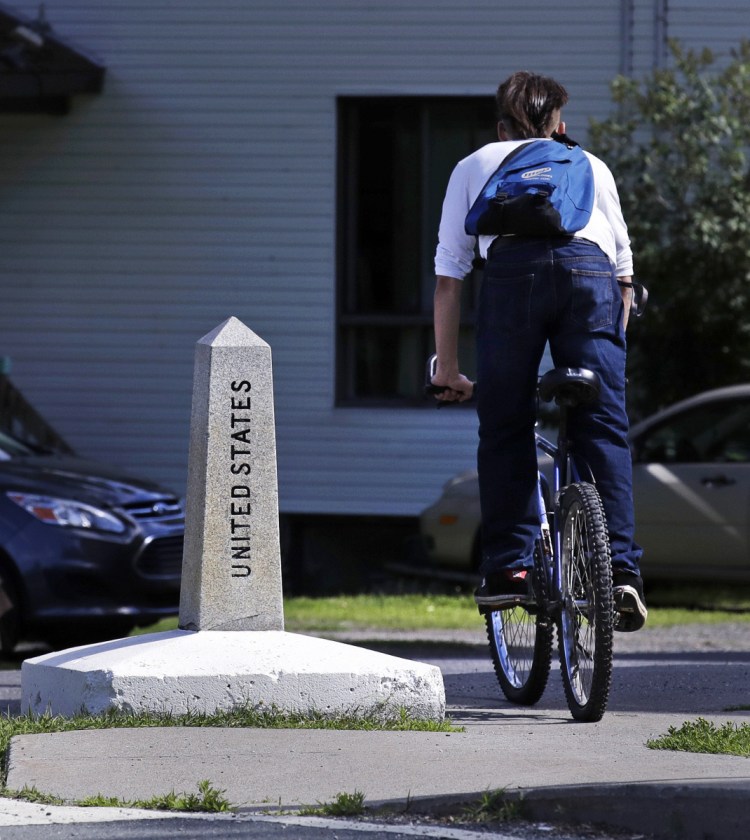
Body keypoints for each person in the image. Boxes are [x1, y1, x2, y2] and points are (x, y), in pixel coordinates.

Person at [431, 70, 647, 631]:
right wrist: (609, 354)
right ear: (561, 126)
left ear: (501, 127)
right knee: (605, 427)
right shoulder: (593, 167)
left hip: (513, 279)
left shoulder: (474, 165)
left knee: (504, 420)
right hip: (590, 280)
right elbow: (624, 277)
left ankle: (510, 570)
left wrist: (449, 369)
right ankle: (621, 572)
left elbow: (450, 277)